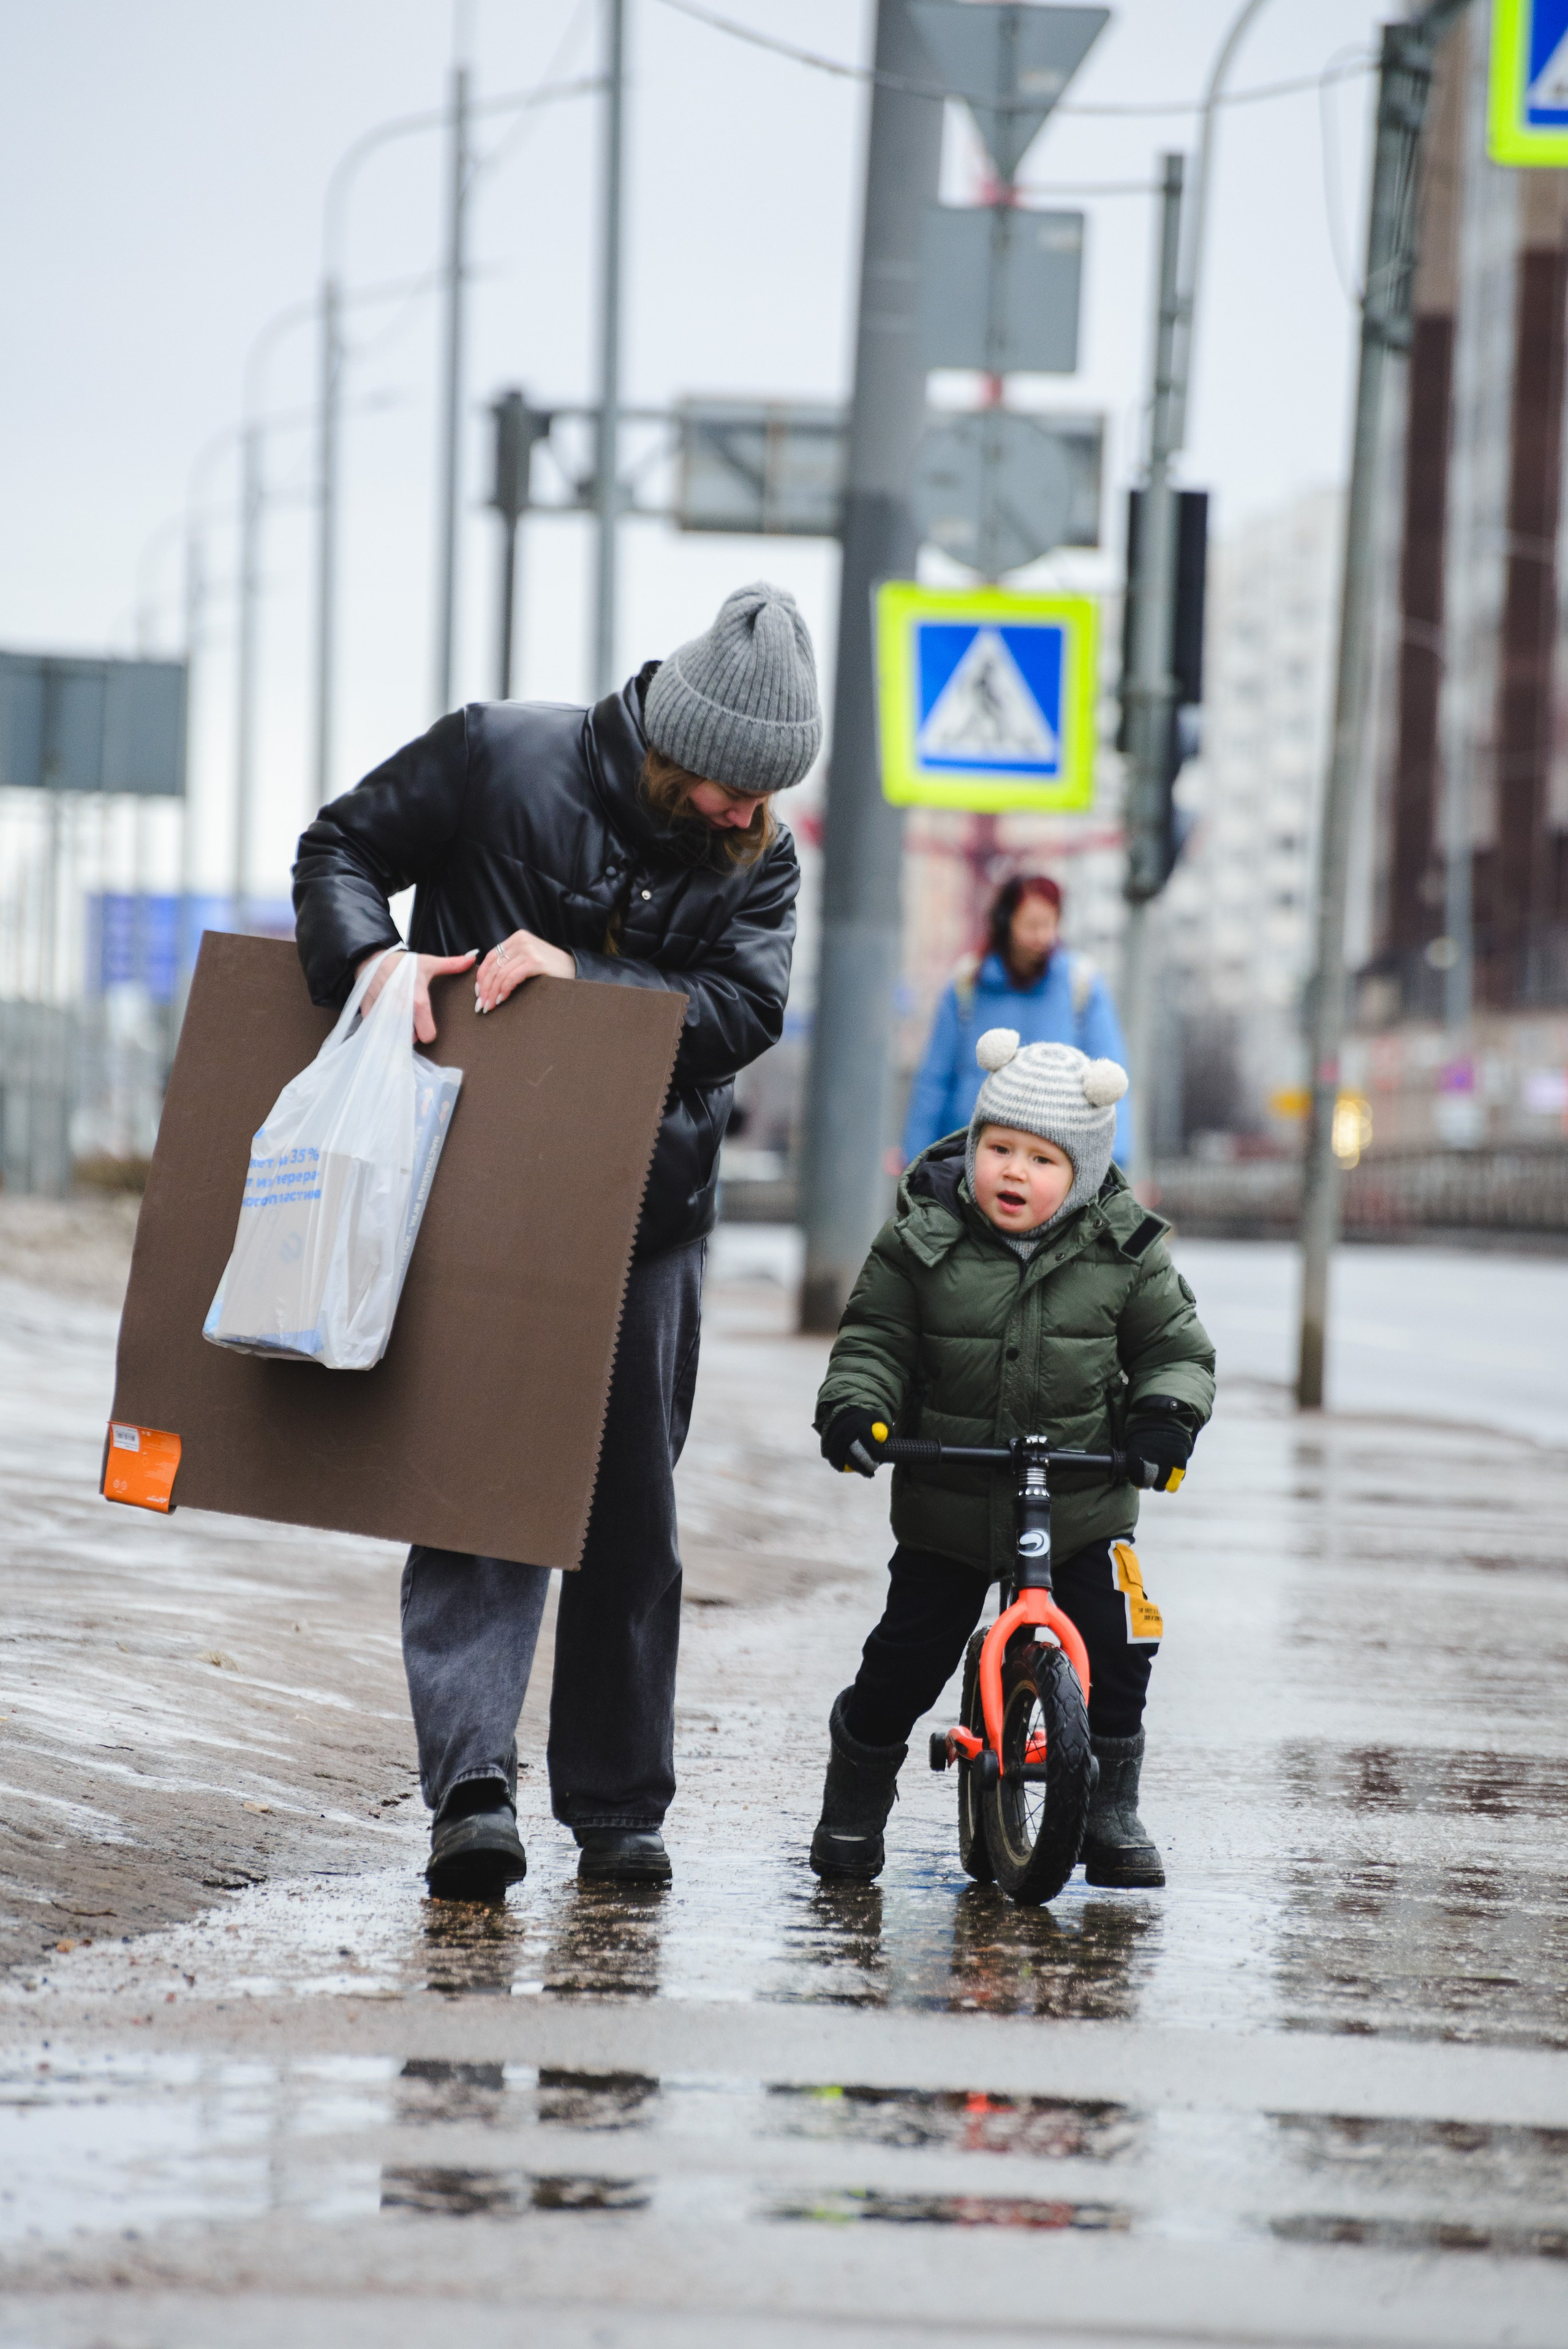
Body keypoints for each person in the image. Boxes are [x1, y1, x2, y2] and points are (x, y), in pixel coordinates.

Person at [292, 582, 821, 1898]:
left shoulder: (766, 857)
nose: (743, 819)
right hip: (469, 1188)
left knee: (630, 1520)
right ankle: (472, 1787)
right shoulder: (494, 754)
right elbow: (338, 850)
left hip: (651, 1214)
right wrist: (368, 967)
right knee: (479, 1484)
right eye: (725, 789)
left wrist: (590, 985)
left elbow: (746, 1010)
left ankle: (618, 1811)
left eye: (764, 799)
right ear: (672, 741)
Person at [807, 1030, 1215, 1890]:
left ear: (1085, 1171)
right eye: (998, 1148)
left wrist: (1163, 1416)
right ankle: (853, 1805)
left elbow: (1176, 1347)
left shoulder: (1126, 1250)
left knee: (1120, 1638)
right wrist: (858, 1406)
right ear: (973, 1146)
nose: (1013, 1171)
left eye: (1041, 1158)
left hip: (1081, 1503)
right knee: (904, 1661)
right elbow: (875, 1338)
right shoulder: (922, 1237)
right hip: (950, 1503)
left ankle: (1108, 1806)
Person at [902, 875, 1133, 1168]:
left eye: (1049, 924)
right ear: (1005, 922)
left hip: (1054, 1161)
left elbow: (1110, 1079)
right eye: (1031, 925)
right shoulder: (967, 986)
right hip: (967, 1158)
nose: (1041, 936)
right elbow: (935, 1080)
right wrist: (917, 1159)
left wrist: (1114, 1164)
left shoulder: (1082, 985)